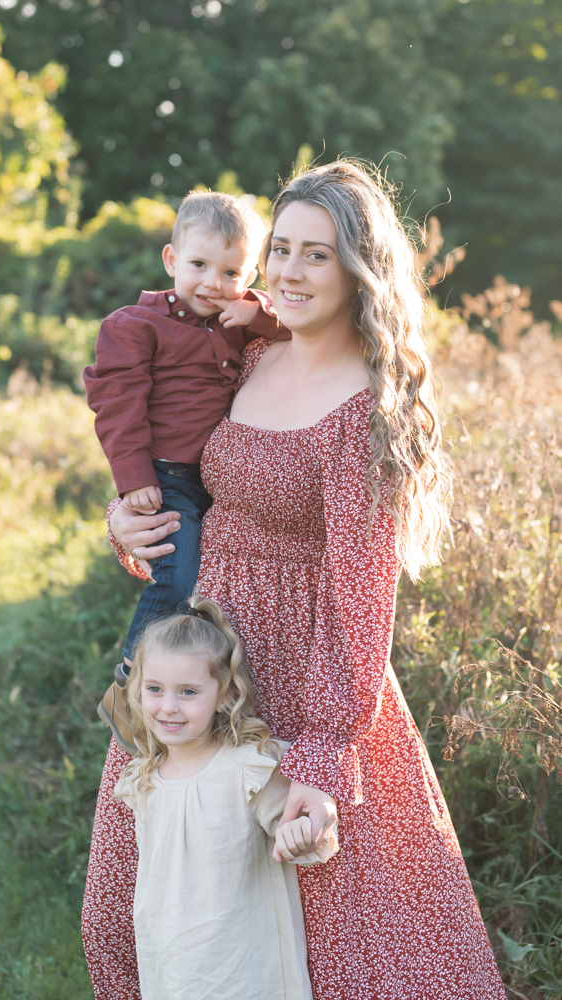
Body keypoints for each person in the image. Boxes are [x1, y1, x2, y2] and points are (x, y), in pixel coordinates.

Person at [83, 160, 507, 1000]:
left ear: (360, 268)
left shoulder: (365, 409)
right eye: (280, 249)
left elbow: (362, 592)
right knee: (124, 905)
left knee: (329, 933)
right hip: (196, 662)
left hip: (304, 674)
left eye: (317, 254)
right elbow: (187, 487)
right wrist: (125, 522)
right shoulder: (246, 359)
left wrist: (318, 758)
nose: (287, 271)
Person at [83, 191, 289, 674]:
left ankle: (196, 682)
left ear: (250, 277)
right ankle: (138, 672)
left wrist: (256, 315)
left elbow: (299, 326)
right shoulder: (135, 326)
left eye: (230, 273)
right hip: (165, 476)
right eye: (198, 264)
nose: (213, 283)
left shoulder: (240, 318)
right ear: (172, 259)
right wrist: (133, 477)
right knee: (178, 578)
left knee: (213, 592)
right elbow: (117, 405)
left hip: (219, 483)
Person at [114, 596, 338, 1000]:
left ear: (222, 695)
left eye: (187, 691)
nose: (168, 707)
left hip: (244, 963)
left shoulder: (246, 767)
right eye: (154, 689)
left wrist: (302, 833)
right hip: (171, 957)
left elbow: (302, 830)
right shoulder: (142, 776)